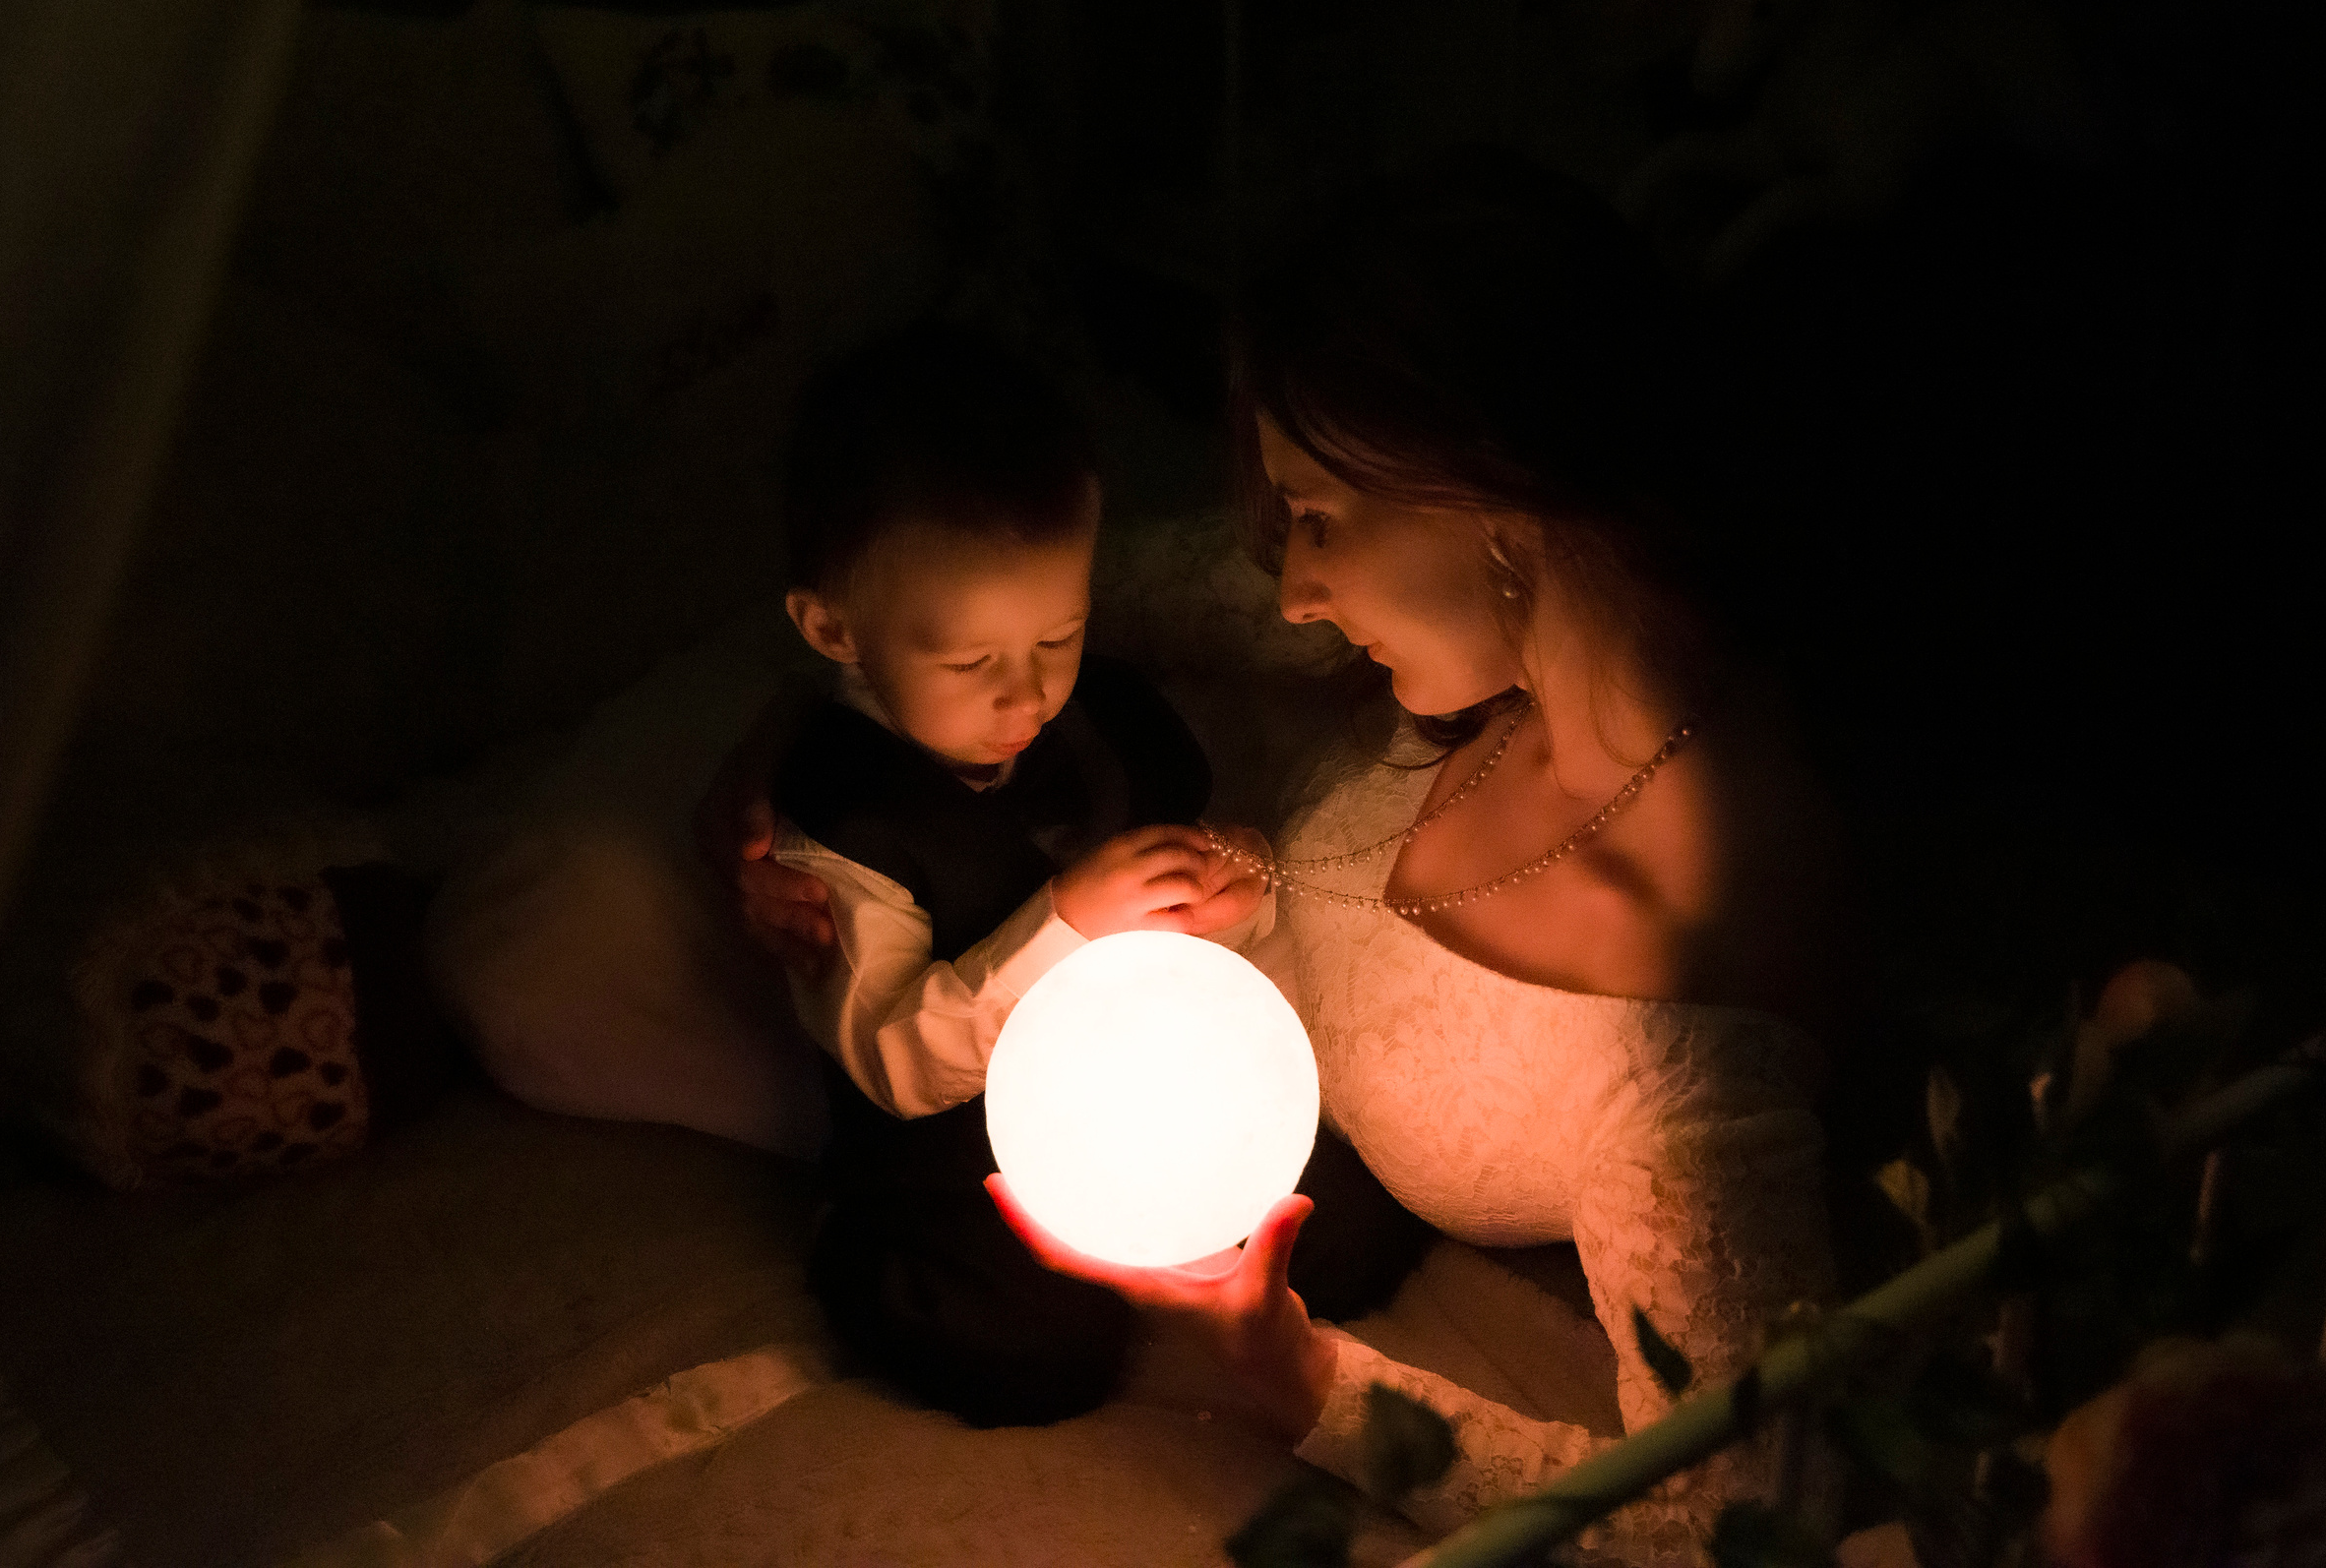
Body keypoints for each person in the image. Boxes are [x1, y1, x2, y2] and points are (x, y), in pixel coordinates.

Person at [717, 159, 1852, 1559]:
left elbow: (1732, 1516)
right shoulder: (1468, 643)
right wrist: (770, 765)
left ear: (1493, 499)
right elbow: (967, 602)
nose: (1294, 586)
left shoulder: (1684, 1030)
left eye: (1317, 516)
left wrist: (1308, 1380)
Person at [742, 321, 1273, 1427]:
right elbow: (892, 1061)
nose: (1025, 696)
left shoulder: (1104, 720)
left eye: (1060, 636)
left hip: (1143, 1097)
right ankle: (851, 1246)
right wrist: (1063, 932)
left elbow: (1210, 853)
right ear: (835, 629)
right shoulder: (842, 815)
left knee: (1335, 1231)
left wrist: (1237, 893)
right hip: (949, 1161)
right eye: (972, 662)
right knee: (1039, 1349)